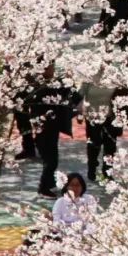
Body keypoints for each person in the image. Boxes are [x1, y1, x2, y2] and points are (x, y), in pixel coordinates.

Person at [29, 62, 77, 198]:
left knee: (53, 157)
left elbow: (68, 93)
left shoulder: (54, 82)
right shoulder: (37, 85)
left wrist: (70, 80)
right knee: (50, 160)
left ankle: (49, 183)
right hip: (43, 127)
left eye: (51, 67)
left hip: (52, 127)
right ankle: (43, 188)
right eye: (48, 67)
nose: (51, 69)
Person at [81, 78, 122, 183]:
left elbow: (123, 95)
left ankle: (107, 172)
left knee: (110, 146)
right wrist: (79, 111)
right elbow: (80, 95)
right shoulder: (89, 77)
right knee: (93, 145)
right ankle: (92, 170)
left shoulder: (115, 76)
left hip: (111, 118)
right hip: (93, 116)